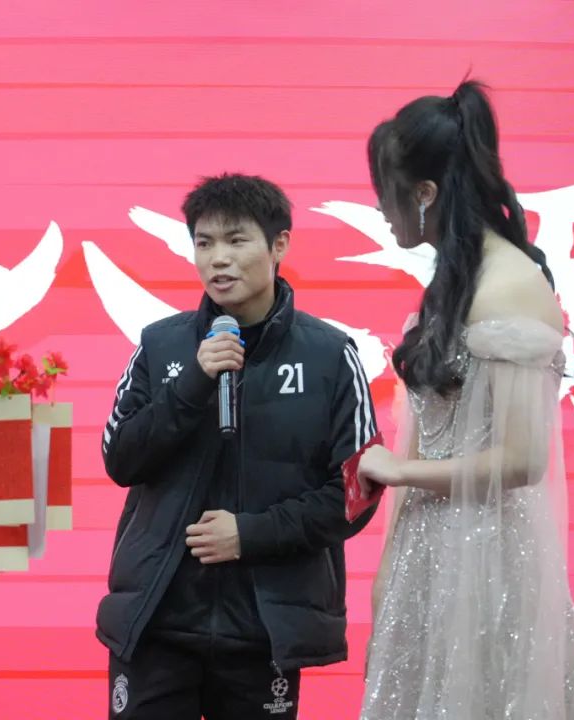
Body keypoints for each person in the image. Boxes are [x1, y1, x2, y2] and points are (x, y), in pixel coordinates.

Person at [357, 81, 574, 719]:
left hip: (486, 562)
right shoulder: (454, 280)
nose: (380, 208)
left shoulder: (509, 285)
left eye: (386, 191)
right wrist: (388, 574)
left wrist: (399, 471)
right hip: (428, 554)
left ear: (425, 193)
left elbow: (522, 460)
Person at [97, 173, 379, 719]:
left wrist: (250, 534)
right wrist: (192, 384)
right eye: (204, 243)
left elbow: (356, 493)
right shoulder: (161, 345)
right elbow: (121, 458)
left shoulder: (330, 355)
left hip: (264, 629)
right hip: (158, 621)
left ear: (279, 245)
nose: (218, 259)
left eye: (236, 240)